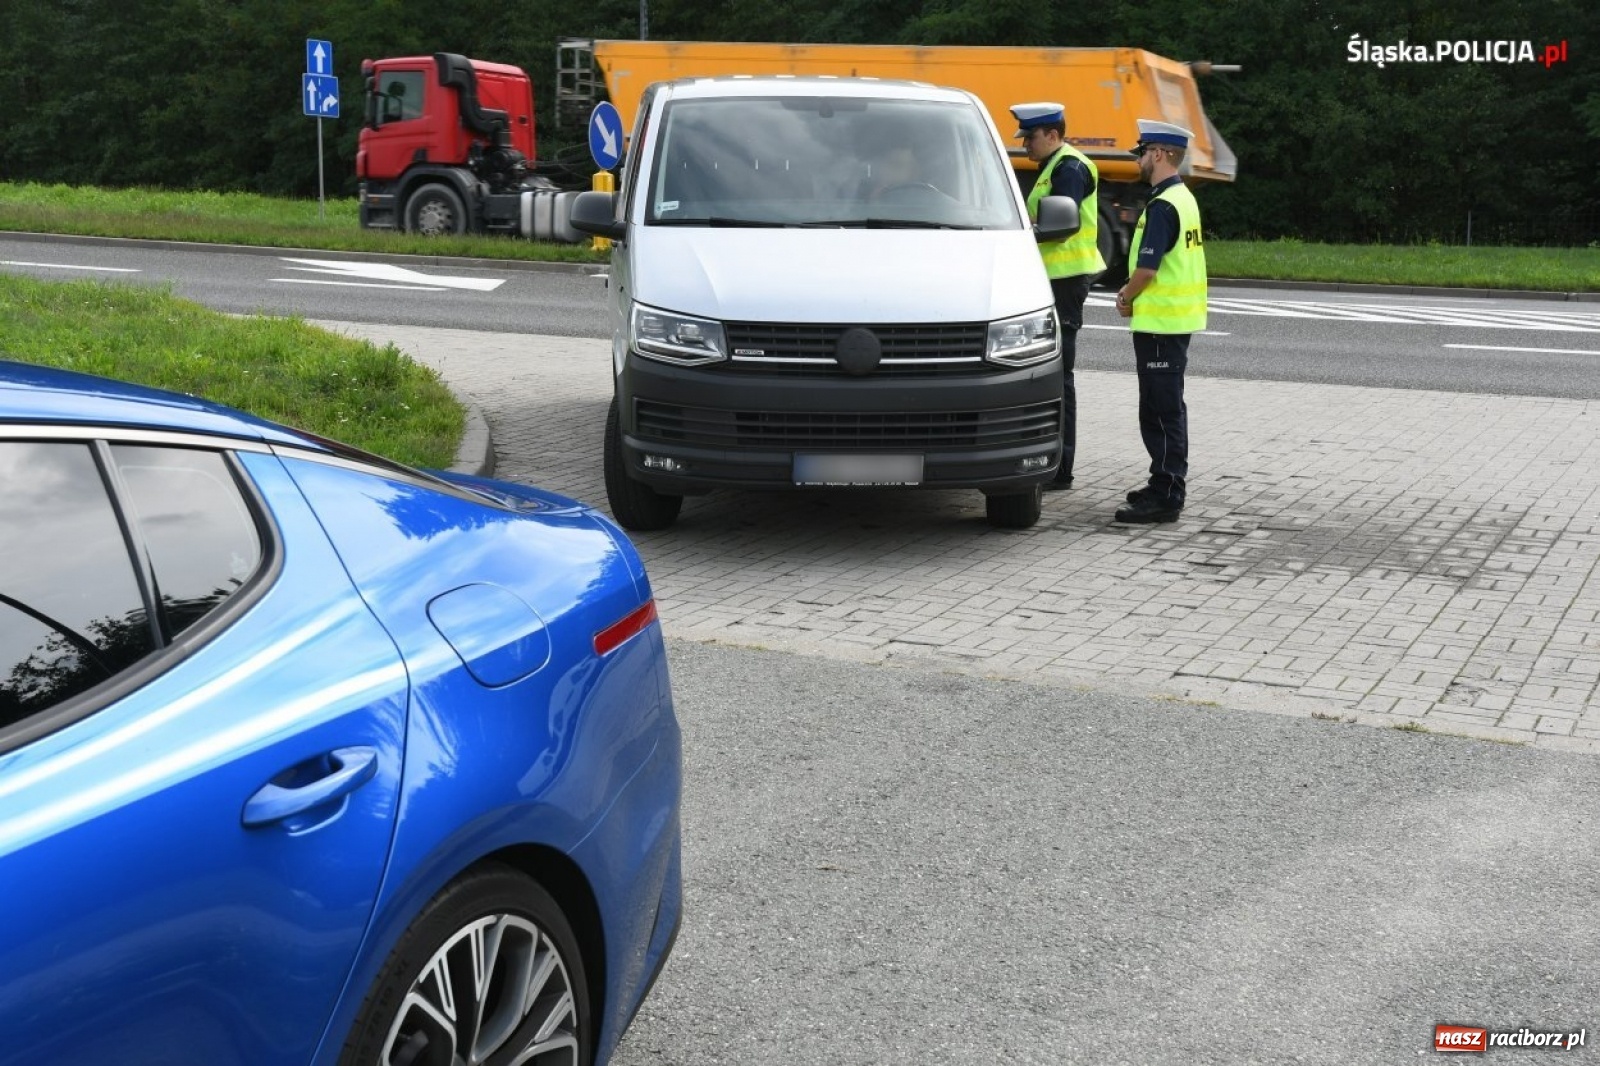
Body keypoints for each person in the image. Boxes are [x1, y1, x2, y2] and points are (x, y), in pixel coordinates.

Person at [1114, 119, 1207, 524]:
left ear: (1160, 154)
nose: (1139, 160)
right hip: (1171, 323)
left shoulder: (1163, 206)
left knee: (1160, 411)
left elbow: (1148, 269)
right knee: (1164, 407)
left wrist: (1125, 295)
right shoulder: (1182, 198)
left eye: (1143, 152)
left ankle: (1167, 494)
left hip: (1160, 325)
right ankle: (1163, 482)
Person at [1010, 102, 1106, 492]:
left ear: (1052, 135)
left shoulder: (1070, 168)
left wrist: (1024, 233)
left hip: (1064, 283)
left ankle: (1061, 468)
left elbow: (1062, 224)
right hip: (1051, 281)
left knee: (1059, 374)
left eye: (1030, 137)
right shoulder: (1055, 166)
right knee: (1047, 371)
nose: (1025, 145)